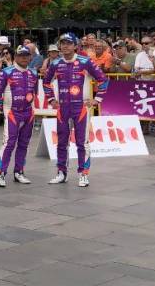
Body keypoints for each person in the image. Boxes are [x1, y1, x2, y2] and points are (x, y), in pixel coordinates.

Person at [42, 33, 109, 187]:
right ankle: (61, 173)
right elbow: (46, 83)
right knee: (61, 142)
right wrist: (51, 99)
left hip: (81, 108)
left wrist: (97, 99)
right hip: (63, 108)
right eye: (62, 43)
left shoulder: (86, 62)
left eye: (68, 43)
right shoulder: (56, 63)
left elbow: (103, 79)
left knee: (82, 142)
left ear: (75, 46)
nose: (65, 46)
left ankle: (83, 174)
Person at [0, 46, 39, 187]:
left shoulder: (33, 73)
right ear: (15, 57)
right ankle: (0, 174)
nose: (24, 58)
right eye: (21, 55)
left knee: (24, 144)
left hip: (28, 114)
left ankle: (19, 172)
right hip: (12, 113)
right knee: (9, 144)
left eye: (26, 55)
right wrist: (4, 110)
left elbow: (35, 93)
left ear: (30, 57)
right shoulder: (6, 72)